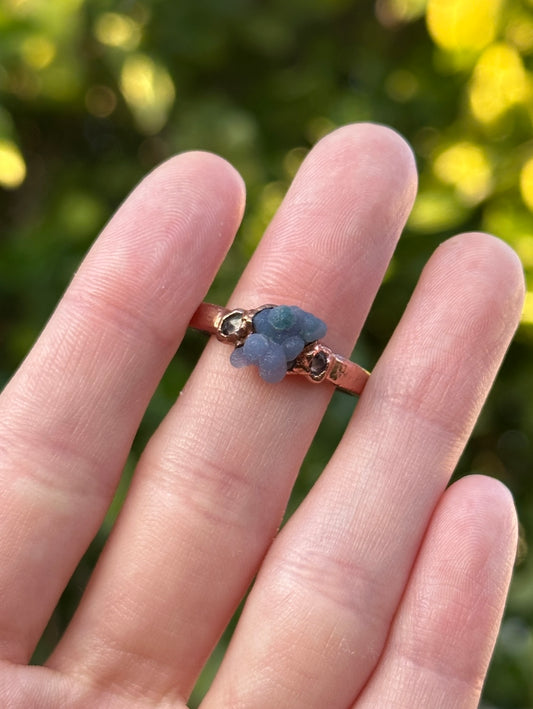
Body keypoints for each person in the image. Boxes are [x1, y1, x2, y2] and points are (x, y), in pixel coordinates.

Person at [0, 123, 524, 708]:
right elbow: (264, 347)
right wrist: (252, 336)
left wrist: (305, 360)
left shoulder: (289, 341)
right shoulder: (261, 342)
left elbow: (298, 348)